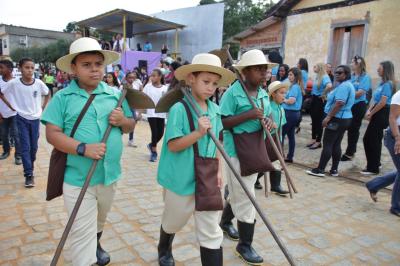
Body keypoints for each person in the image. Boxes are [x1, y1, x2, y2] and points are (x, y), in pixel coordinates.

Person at [41, 37, 135, 266]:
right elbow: (52, 134)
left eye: (98, 64)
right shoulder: (62, 98)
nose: (94, 69)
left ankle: (97, 242)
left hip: (109, 175)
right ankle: (87, 256)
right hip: (77, 178)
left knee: (100, 220)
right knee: (82, 234)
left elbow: (131, 124)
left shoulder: (115, 95)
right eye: (86, 64)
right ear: (73, 68)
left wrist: (123, 119)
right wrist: (82, 148)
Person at [156, 53, 235, 266]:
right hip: (181, 177)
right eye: (206, 81)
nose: (211, 88)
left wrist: (218, 170)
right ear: (191, 78)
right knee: (174, 220)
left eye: (215, 84)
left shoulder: (216, 111)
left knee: (211, 229)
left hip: (208, 177)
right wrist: (198, 133)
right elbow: (173, 145)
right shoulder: (179, 109)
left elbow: (217, 141)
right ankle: (164, 247)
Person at [219, 49, 274, 265]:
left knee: (239, 191)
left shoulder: (262, 93)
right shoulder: (232, 93)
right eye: (258, 69)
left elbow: (268, 114)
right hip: (236, 151)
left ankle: (224, 222)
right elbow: (221, 123)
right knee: (247, 196)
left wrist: (270, 121)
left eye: (265, 69)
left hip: (256, 149)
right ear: (245, 72)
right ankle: (245, 245)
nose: (263, 73)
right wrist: (248, 115)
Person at [2, 58, 49, 187]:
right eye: (27, 67)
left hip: (35, 119)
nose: (29, 70)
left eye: (32, 68)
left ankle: (30, 164)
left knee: (33, 148)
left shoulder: (39, 83)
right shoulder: (14, 83)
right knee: (25, 147)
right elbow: (2, 93)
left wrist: (43, 107)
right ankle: (28, 174)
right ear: (20, 68)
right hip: (21, 118)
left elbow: (47, 92)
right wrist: (11, 106)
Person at [307, 65, 355, 177]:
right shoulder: (347, 85)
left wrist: (328, 117)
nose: (337, 74)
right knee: (336, 144)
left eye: (340, 72)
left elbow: (339, 103)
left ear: (346, 74)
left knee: (328, 143)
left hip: (337, 118)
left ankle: (320, 169)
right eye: (336, 72)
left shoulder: (344, 86)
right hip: (344, 118)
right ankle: (334, 170)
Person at [366, 88, 400, 217]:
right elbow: (392, 118)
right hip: (395, 135)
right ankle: (396, 206)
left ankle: (373, 185)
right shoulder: (399, 96)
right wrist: (397, 138)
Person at [362, 61, 396, 175]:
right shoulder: (382, 83)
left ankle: (373, 168)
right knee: (372, 139)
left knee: (370, 139)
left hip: (383, 112)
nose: (377, 70)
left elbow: (382, 102)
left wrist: (371, 113)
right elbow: (376, 100)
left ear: (385, 70)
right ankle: (376, 163)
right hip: (378, 111)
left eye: (379, 68)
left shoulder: (388, 84)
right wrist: (369, 110)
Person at [255, 81, 289, 195]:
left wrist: (280, 142)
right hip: (267, 139)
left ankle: (275, 185)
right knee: (266, 163)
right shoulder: (268, 107)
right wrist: (269, 125)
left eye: (285, 93)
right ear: (273, 94)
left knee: (276, 162)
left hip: (276, 139)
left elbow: (281, 129)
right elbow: (262, 124)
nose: (284, 96)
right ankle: (253, 179)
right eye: (281, 93)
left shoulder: (281, 109)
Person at [341, 56, 371, 161]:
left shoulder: (365, 77)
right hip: (350, 104)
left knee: (353, 129)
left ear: (358, 64)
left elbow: (360, 93)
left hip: (359, 105)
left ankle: (350, 152)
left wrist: (347, 94)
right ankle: (350, 150)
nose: (351, 64)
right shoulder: (352, 76)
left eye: (353, 62)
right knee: (347, 127)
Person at [143, 69, 168, 162]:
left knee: (161, 133)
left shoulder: (165, 88)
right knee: (154, 132)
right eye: (151, 75)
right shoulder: (148, 87)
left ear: (160, 77)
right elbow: (143, 97)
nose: (152, 77)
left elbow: (167, 101)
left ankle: (151, 145)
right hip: (151, 113)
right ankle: (154, 152)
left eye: (154, 75)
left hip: (161, 113)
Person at [0, 59, 22, 165]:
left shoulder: (16, 82)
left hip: (15, 114)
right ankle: (6, 151)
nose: (0, 70)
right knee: (4, 135)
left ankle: (18, 155)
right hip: (2, 113)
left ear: (9, 69)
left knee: (16, 135)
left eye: (1, 68)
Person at [308, 63, 333, 150]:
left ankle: (318, 142)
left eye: (315, 66)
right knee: (314, 120)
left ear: (320, 67)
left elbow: (329, 86)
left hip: (320, 100)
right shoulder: (318, 76)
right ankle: (313, 139)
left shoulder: (325, 76)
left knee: (319, 121)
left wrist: (323, 94)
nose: (313, 67)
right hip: (314, 99)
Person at [282, 67, 304, 163]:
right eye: (289, 74)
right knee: (291, 136)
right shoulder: (296, 86)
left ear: (296, 76)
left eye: (291, 75)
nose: (289, 76)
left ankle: (280, 156)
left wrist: (282, 100)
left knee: (281, 135)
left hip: (290, 114)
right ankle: (289, 156)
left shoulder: (295, 87)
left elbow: (291, 101)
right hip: (294, 114)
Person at [125, 72, 143, 148]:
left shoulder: (135, 86)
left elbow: (137, 99)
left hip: (132, 107)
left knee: (133, 123)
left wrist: (139, 111)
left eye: (133, 77)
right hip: (124, 107)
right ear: (126, 78)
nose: (131, 79)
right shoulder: (123, 87)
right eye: (130, 77)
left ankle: (131, 140)